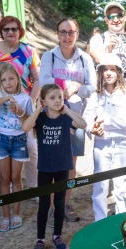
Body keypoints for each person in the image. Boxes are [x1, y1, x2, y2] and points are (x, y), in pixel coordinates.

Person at [39, 17, 97, 222]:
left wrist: (78, 88)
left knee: (71, 165)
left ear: (77, 35)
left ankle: (62, 205)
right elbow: (43, 81)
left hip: (75, 118)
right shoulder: (49, 56)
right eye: (63, 32)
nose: (67, 36)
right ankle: (50, 205)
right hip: (52, 118)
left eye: (71, 32)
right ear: (57, 34)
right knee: (53, 163)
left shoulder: (85, 59)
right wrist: (68, 83)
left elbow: (92, 86)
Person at [21, 84, 87, 249]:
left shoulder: (65, 118)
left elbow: (83, 123)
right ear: (44, 101)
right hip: (45, 167)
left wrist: (67, 110)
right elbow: (26, 127)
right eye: (52, 98)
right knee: (44, 205)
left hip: (62, 167)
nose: (57, 100)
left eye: (60, 97)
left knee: (59, 203)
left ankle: (57, 235)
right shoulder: (41, 119)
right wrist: (38, 109)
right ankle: (40, 239)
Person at [0, 15, 41, 188]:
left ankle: (33, 187)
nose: (11, 32)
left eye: (14, 29)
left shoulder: (28, 51)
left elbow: (38, 79)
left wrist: (30, 102)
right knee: (5, 147)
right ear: (1, 31)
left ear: (20, 31)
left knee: (31, 148)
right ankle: (9, 190)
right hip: (1, 106)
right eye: (7, 29)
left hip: (24, 104)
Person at [85, 55, 126, 220]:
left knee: (121, 185)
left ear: (119, 73)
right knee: (99, 186)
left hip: (122, 144)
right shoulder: (95, 96)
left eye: (112, 69)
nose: (108, 73)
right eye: (105, 69)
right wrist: (91, 128)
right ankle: (99, 221)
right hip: (101, 145)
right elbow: (86, 119)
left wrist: (104, 121)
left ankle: (120, 221)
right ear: (100, 73)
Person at [0, 64, 32, 233]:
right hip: (2, 139)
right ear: (0, 82)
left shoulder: (25, 98)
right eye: (3, 80)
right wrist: (5, 99)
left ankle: (16, 213)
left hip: (19, 139)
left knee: (16, 178)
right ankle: (5, 215)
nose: (8, 83)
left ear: (18, 78)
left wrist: (19, 111)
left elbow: (29, 123)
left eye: (11, 78)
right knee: (4, 179)